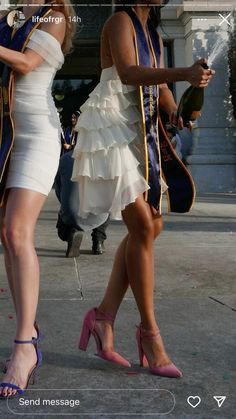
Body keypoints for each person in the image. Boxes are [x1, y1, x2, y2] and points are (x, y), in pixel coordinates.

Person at [72, 1, 214, 377]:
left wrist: (175, 111)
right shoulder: (121, 19)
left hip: (142, 125)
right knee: (142, 225)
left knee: (150, 227)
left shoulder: (151, 29)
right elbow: (129, 72)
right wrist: (184, 71)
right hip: (113, 123)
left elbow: (161, 84)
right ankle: (150, 334)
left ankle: (103, 318)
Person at [0, 0, 76, 397]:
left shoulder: (56, 15)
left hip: (38, 136)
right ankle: (26, 329)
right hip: (6, 136)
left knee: (17, 232)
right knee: (6, 236)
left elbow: (26, 64)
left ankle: (24, 348)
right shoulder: (10, 14)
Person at [55, 150, 110, 257]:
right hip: (99, 214)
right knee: (107, 202)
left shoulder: (65, 158)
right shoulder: (107, 158)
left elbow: (59, 189)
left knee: (66, 212)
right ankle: (98, 240)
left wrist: (66, 205)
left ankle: (71, 233)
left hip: (70, 215)